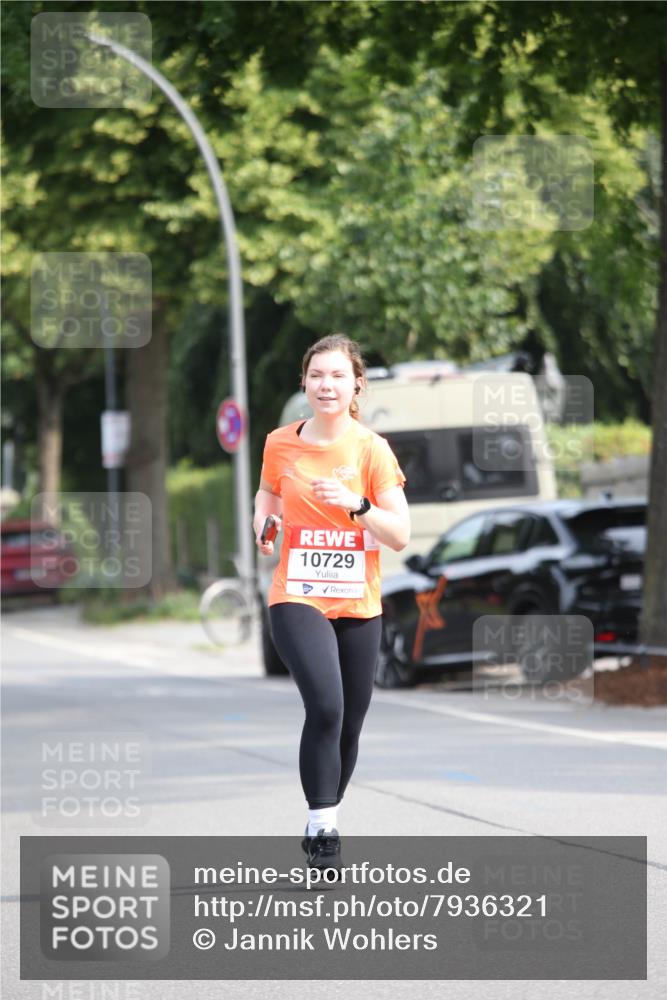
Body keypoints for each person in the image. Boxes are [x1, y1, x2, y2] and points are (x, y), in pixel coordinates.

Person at [253, 334, 410, 876]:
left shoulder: (371, 450)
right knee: (325, 706)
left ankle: (322, 815)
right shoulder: (280, 443)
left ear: (356, 385)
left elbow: (400, 534)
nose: (326, 385)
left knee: (350, 723)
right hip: (296, 593)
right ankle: (325, 834)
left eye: (338, 376)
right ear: (305, 381)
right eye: (317, 375)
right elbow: (268, 494)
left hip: (358, 601)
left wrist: (358, 505)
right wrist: (265, 522)